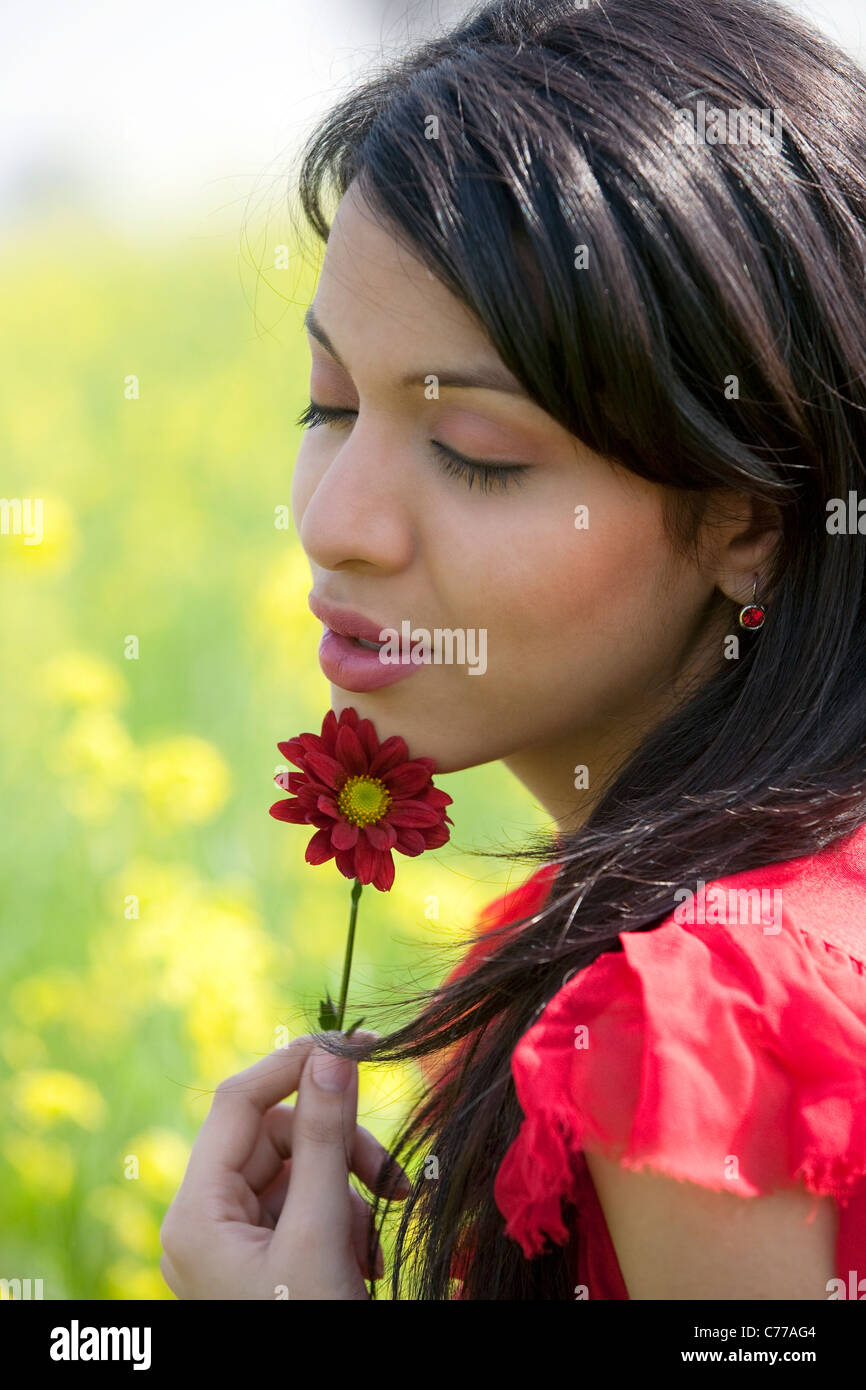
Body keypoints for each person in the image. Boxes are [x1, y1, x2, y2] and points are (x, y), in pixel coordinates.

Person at [159, 0, 866, 1299]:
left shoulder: (707, 1022)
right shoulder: (714, 928)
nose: (332, 522)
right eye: (326, 404)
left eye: (473, 454)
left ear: (745, 520)